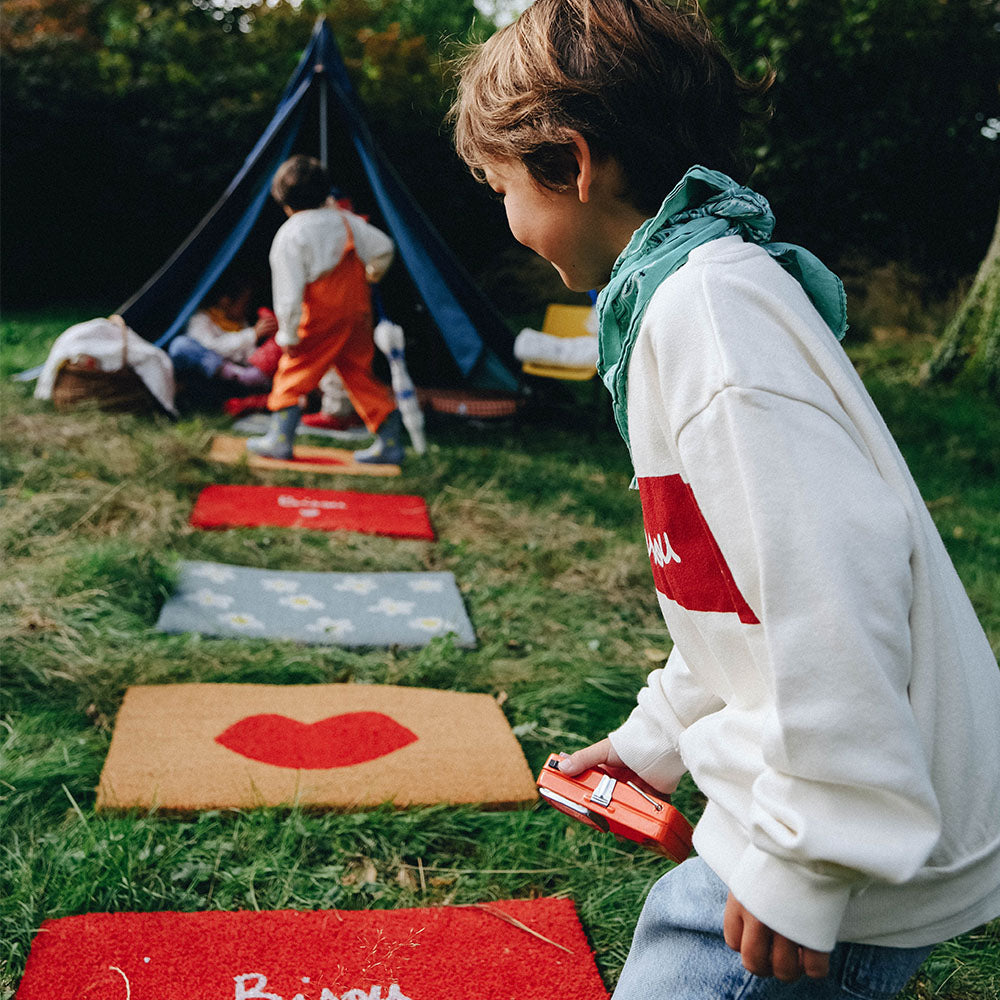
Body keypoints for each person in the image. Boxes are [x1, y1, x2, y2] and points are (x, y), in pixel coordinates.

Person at [452, 2, 1000, 997]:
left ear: (571, 164)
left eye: (499, 187)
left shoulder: (708, 314)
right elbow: (729, 598)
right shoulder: (687, 298)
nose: (505, 216)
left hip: (843, 847)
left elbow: (826, 594)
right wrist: (649, 742)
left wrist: (802, 852)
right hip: (835, 820)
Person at [247, 155, 404, 463]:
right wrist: (373, 273)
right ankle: (390, 444)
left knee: (294, 371)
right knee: (360, 375)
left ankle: (279, 440)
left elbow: (288, 295)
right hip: (357, 312)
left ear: (284, 201)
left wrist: (288, 337)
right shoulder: (346, 221)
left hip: (320, 317)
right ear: (324, 193)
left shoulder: (291, 234)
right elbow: (384, 247)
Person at [168, 280, 278, 405]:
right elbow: (213, 348)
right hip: (205, 378)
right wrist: (252, 335)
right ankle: (234, 374)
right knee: (181, 345)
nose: (247, 309)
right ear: (225, 301)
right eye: (244, 303)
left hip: (230, 382)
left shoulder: (242, 324)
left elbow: (248, 357)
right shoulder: (201, 319)